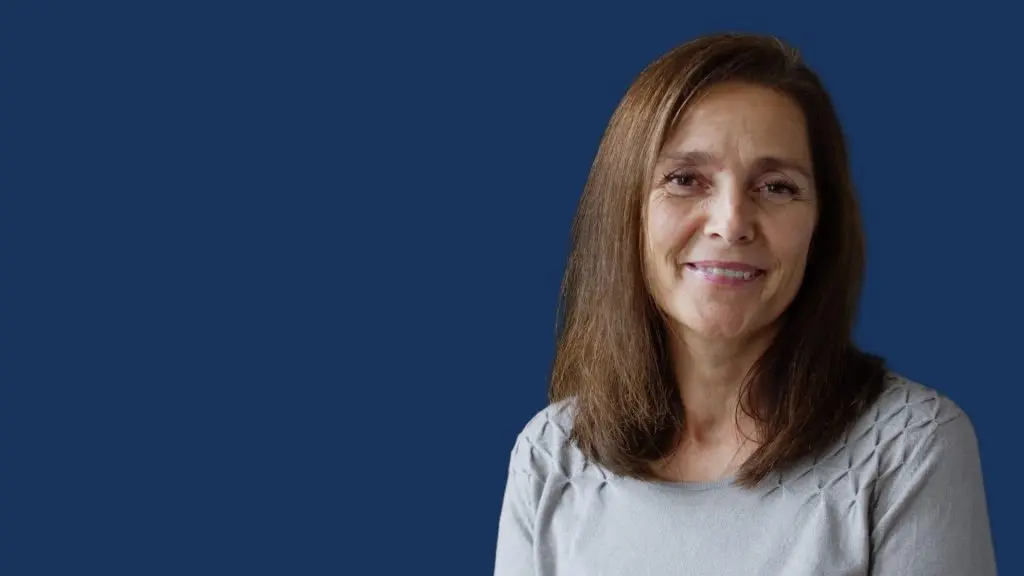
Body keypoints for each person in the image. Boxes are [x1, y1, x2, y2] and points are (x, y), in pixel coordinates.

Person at [493, 33, 997, 575]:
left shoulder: (910, 448)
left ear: (820, 226)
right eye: (685, 180)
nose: (731, 223)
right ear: (627, 211)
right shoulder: (550, 456)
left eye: (776, 187)